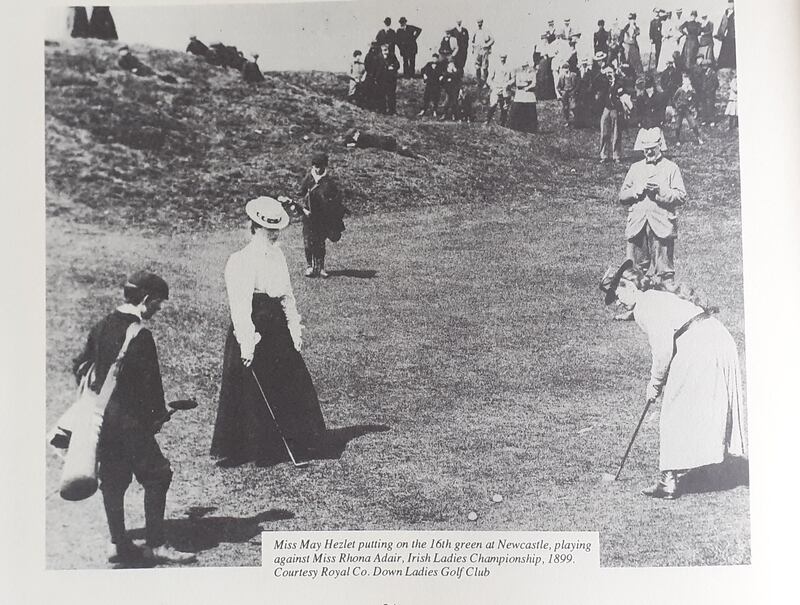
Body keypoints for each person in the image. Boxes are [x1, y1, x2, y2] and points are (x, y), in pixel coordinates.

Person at [72, 271, 195, 564]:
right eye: (158, 303)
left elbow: (80, 367)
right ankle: (156, 544)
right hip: (130, 424)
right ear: (146, 299)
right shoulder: (140, 336)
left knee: (113, 480)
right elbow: (150, 388)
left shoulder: (102, 326)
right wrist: (158, 416)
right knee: (158, 475)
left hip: (103, 420)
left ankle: (117, 543)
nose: (159, 309)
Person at [599, 259, 747, 499]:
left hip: (700, 344)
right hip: (718, 338)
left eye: (617, 295)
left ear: (629, 286)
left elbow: (664, 350)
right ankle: (719, 464)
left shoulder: (644, 307)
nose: (617, 302)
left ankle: (668, 480)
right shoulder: (656, 297)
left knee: (673, 410)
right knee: (710, 403)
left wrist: (654, 384)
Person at [211, 197, 327, 466]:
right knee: (249, 388)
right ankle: (250, 447)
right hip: (253, 325)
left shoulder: (278, 255)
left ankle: (294, 440)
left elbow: (287, 296)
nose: (273, 234)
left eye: (276, 229)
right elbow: (240, 306)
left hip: (276, 328)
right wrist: (248, 343)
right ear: (254, 227)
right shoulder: (240, 260)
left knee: (289, 381)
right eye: (267, 229)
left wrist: (294, 327)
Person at [619, 127, 686, 294]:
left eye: (651, 149)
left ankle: (666, 310)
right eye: (645, 149)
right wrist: (636, 191)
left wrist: (660, 192)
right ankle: (632, 308)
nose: (648, 152)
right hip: (637, 224)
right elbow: (622, 196)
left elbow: (681, 196)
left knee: (664, 272)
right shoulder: (635, 168)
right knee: (633, 270)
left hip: (661, 224)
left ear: (659, 146)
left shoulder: (671, 168)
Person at [296, 153, 346, 277]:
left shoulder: (329, 182)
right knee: (308, 242)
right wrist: (304, 209)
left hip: (322, 217)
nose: (318, 169)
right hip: (308, 216)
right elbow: (299, 195)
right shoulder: (308, 179)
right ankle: (309, 266)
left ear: (325, 166)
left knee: (320, 242)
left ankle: (321, 267)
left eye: (320, 166)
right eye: (315, 166)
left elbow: (336, 198)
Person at [597, 67, 626, 163]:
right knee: (604, 132)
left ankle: (616, 155)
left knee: (616, 132)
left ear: (614, 72)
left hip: (615, 110)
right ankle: (604, 155)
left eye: (610, 72)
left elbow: (622, 94)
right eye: (607, 73)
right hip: (606, 108)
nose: (608, 75)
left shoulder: (619, 83)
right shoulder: (604, 83)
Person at [672, 73, 703, 145]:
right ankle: (677, 140)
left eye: (688, 81)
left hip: (687, 109)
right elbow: (674, 99)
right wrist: (677, 106)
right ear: (683, 82)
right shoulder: (680, 90)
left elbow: (695, 100)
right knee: (678, 125)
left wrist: (692, 107)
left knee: (693, 124)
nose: (686, 82)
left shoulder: (691, 90)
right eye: (685, 81)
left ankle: (698, 138)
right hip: (680, 109)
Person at [507, 61, 538, 133]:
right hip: (520, 94)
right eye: (523, 67)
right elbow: (518, 84)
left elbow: (534, 83)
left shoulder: (532, 73)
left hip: (529, 94)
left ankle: (531, 129)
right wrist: (527, 83)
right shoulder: (519, 73)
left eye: (525, 66)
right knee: (517, 110)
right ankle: (517, 127)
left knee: (530, 112)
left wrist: (528, 87)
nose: (524, 68)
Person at [343, 128, 416, 157]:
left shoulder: (364, 137)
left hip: (385, 143)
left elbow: (363, 145)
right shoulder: (363, 135)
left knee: (399, 149)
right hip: (385, 141)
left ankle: (413, 155)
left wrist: (351, 145)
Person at [485, 52, 514, 126]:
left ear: (506, 58)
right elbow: (489, 79)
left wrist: (508, 84)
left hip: (505, 88)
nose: (502, 59)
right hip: (496, 87)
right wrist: (492, 85)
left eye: (504, 58)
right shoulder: (495, 66)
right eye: (501, 57)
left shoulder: (509, 67)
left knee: (504, 107)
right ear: (499, 58)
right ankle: (487, 120)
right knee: (493, 104)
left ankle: (503, 123)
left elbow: (513, 79)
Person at [375, 43, 400, 115]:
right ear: (381, 51)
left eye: (387, 50)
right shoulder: (378, 58)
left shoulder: (392, 57)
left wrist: (393, 67)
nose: (386, 52)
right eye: (384, 50)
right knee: (381, 95)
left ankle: (392, 111)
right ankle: (382, 110)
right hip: (381, 80)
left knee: (391, 95)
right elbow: (375, 69)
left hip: (391, 80)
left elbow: (397, 65)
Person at [418, 53, 444, 117]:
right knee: (426, 97)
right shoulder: (428, 64)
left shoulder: (440, 65)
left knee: (436, 98)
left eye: (436, 58)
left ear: (437, 59)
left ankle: (434, 111)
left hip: (436, 84)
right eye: (433, 58)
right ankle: (423, 110)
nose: (434, 59)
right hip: (429, 83)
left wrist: (442, 76)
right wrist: (424, 75)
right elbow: (422, 70)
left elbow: (444, 72)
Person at [471, 18, 495, 87]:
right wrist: (473, 48)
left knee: (484, 67)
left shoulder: (486, 30)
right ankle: (478, 82)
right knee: (477, 67)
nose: (479, 24)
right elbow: (472, 41)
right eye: (478, 22)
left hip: (484, 50)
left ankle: (485, 82)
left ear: (482, 22)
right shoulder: (475, 31)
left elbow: (492, 39)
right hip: (477, 50)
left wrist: (487, 45)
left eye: (480, 22)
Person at [439, 56, 463, 121]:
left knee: (454, 103)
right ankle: (444, 114)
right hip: (448, 91)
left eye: (452, 64)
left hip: (455, 90)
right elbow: (442, 83)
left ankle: (454, 115)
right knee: (446, 103)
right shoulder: (445, 74)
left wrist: (460, 89)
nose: (451, 66)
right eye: (450, 64)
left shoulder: (457, 74)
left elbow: (459, 81)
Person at [557, 62, 578, 126]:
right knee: (565, 107)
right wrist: (561, 92)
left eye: (567, 68)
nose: (566, 70)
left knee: (573, 107)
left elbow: (577, 85)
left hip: (572, 92)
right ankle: (567, 121)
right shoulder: (561, 77)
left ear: (569, 68)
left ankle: (576, 120)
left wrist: (574, 91)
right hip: (565, 93)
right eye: (564, 68)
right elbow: (558, 87)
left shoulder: (573, 75)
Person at [716, 0, 736, 70]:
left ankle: (732, 65)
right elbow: (723, 24)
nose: (730, 5)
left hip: (733, 34)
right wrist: (720, 34)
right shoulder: (726, 13)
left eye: (732, 3)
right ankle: (723, 65)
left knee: (733, 49)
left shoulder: (736, 13)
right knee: (725, 47)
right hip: (728, 34)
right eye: (729, 3)